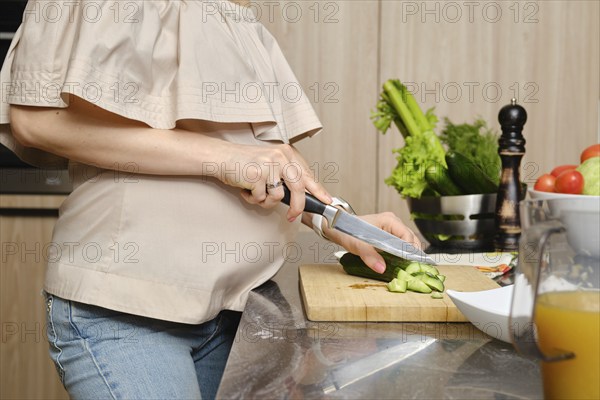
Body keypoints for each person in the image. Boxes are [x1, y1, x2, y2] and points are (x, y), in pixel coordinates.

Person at [0, 1, 421, 399]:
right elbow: (35, 122)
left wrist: (337, 219)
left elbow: (262, 156)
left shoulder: (233, 9)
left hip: (242, 312)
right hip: (127, 312)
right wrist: (226, 159)